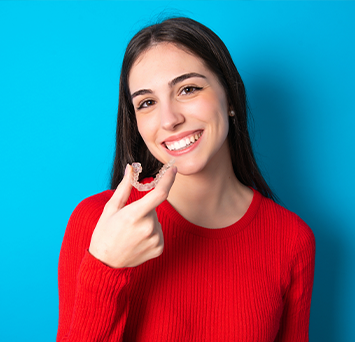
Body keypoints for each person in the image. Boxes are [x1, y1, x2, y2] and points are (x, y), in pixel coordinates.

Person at [57, 17, 315, 341]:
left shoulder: (291, 240)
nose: (169, 119)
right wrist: (107, 268)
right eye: (147, 102)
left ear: (231, 99)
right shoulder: (98, 222)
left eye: (188, 89)